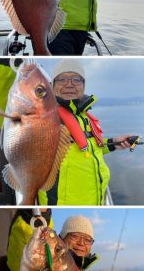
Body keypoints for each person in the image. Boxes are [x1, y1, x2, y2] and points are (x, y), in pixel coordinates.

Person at [38, 59, 135, 205]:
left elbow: (91, 148)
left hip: (95, 200)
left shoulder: (85, 117)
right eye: (62, 79)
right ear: (52, 86)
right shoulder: (45, 116)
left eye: (76, 79)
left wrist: (114, 143)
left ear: (83, 86)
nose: (69, 84)